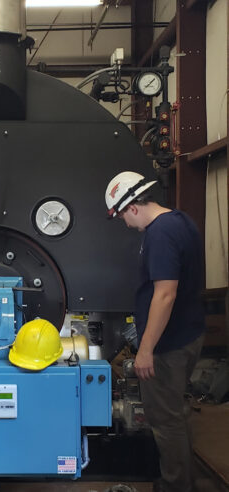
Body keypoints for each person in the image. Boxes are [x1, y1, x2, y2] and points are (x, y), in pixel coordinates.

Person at [105, 171, 205, 492]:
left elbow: (165, 294)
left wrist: (146, 348)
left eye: (122, 215)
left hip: (168, 344)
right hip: (188, 334)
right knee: (177, 414)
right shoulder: (181, 221)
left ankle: (177, 486)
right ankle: (180, 480)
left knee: (165, 420)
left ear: (133, 206)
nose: (124, 222)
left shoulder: (160, 233)